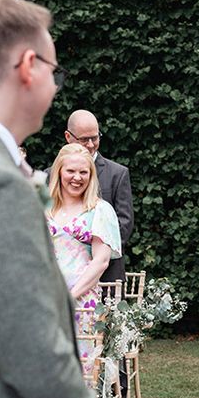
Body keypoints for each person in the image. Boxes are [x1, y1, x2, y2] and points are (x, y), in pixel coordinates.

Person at [0, 0, 108, 398]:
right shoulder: (6, 189)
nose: (55, 80)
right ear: (26, 67)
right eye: (54, 66)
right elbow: (31, 343)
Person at [47, 143, 122, 398]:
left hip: (81, 305)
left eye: (83, 172)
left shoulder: (100, 210)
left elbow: (100, 262)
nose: (77, 178)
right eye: (71, 171)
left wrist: (68, 297)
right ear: (59, 172)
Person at [65, 109, 133, 284]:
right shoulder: (52, 175)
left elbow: (124, 225)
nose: (90, 144)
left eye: (94, 138)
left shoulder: (117, 174)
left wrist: (92, 254)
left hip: (107, 274)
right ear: (68, 137)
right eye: (83, 139)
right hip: (62, 272)